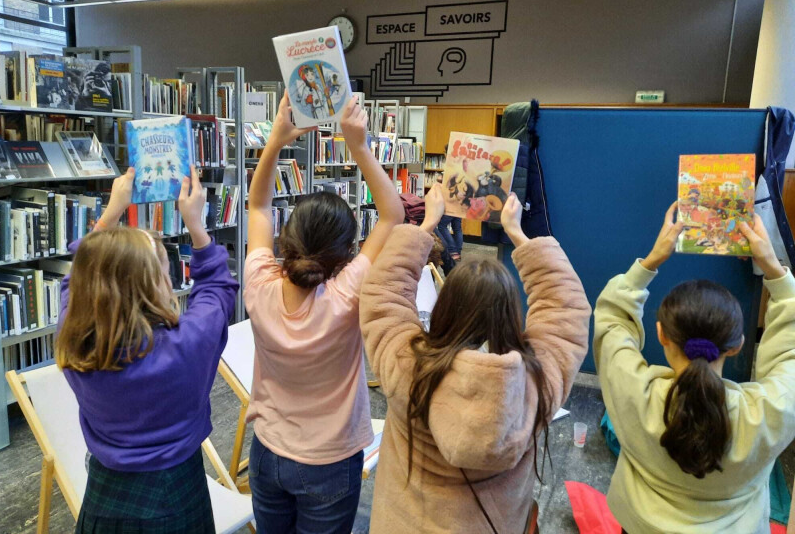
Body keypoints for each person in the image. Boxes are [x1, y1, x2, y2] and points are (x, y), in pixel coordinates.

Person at [359, 185, 591, 533]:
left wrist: (427, 226)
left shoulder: (408, 366)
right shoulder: (535, 383)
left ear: (445, 310)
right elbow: (566, 309)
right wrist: (517, 232)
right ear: (512, 315)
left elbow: (383, 293)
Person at [244, 92, 404, 533]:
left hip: (267, 452)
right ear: (347, 254)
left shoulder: (258, 283)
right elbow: (392, 215)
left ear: (287, 235)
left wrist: (275, 141)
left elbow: (257, 206)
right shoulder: (347, 296)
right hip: (330, 461)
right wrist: (359, 146)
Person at [55, 166, 239, 534]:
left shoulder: (76, 343)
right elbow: (219, 290)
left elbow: (77, 277)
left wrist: (110, 214)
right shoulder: (188, 344)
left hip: (105, 493)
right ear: (154, 287)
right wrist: (197, 226)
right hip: (176, 494)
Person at [594, 202, 795, 534]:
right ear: (738, 345)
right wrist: (774, 269)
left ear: (661, 335)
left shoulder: (630, 389)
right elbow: (791, 353)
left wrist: (652, 260)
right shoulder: (770, 411)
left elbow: (612, 321)